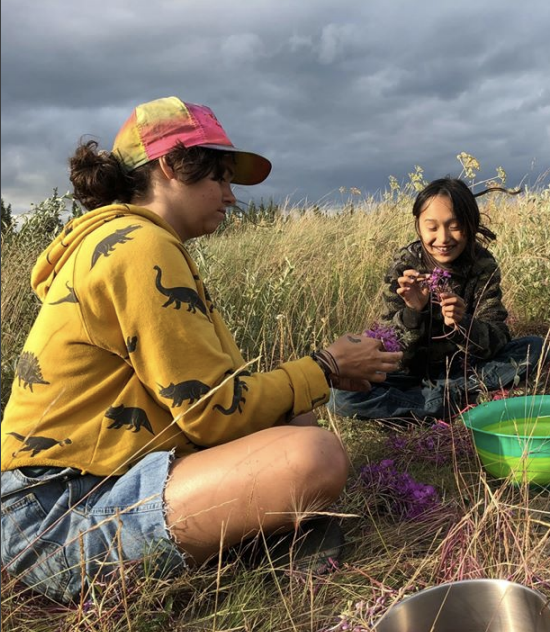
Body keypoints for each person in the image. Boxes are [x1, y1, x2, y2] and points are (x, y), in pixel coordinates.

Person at [0, 96, 403, 603]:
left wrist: (317, 379)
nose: (231, 197)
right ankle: (246, 553)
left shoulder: (132, 241)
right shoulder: (140, 246)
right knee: (313, 455)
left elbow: (218, 397)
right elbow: (214, 414)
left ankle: (248, 545)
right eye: (220, 178)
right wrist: (324, 367)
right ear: (170, 164)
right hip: (56, 517)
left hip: (76, 491)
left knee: (294, 425)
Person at [331, 177, 545, 423]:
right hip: (409, 373)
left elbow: (497, 336)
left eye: (454, 226)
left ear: (470, 224)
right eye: (432, 227)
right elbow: (390, 347)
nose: (443, 239)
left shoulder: (483, 264)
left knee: (534, 347)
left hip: (464, 369)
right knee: (341, 396)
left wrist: (462, 323)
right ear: (418, 226)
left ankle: (429, 404)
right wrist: (413, 312)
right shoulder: (404, 266)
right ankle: (459, 401)